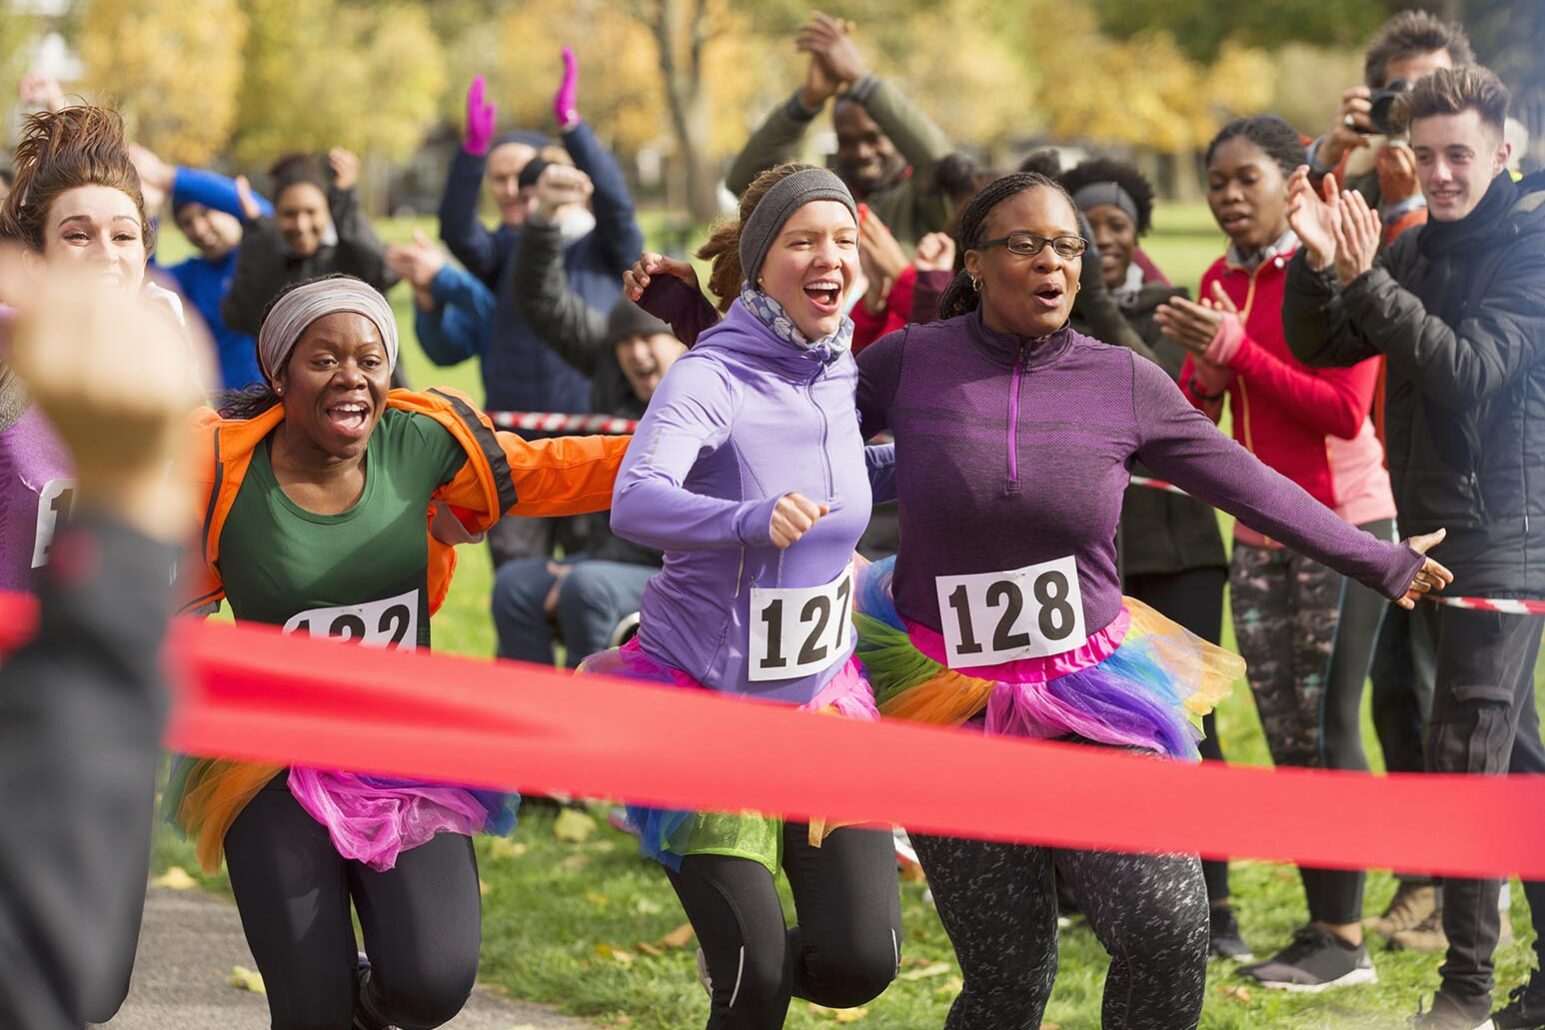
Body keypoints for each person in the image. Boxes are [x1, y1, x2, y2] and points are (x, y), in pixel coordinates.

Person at [847, 170, 1449, 1029]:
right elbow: (795, 433)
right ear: (974, 263)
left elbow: (1246, 482)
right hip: (947, 699)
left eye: (1066, 247)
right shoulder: (908, 363)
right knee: (1007, 977)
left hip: (1094, 693)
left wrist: (1380, 560)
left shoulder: (1120, 381)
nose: (1052, 263)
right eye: (1025, 245)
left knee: (1166, 929)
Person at [163, 275, 631, 1030]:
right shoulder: (216, 468)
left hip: (401, 745)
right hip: (269, 759)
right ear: (279, 374)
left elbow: (548, 471)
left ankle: (366, 1009)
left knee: (431, 983)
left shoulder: (419, 441)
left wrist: (680, 449)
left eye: (370, 360)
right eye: (324, 360)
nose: (351, 377)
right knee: (309, 1011)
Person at [580, 163, 901, 1029]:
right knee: (754, 985)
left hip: (821, 703)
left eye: (842, 239)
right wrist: (748, 521)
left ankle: (741, 961)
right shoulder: (704, 377)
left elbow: (827, 464)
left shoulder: (835, 366)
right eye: (802, 241)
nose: (828, 256)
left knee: (860, 963)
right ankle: (740, 966)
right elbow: (635, 500)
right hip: (704, 708)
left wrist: (921, 463)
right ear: (759, 263)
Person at [1283, 65, 1545, 1030]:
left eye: (1458, 155)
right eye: (1423, 156)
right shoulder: (1413, 246)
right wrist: (1321, 264)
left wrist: (1366, 279)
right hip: (1432, 531)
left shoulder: (1530, 245)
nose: (1438, 173)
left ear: (1501, 152)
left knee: (1463, 754)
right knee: (1512, 760)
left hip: (1508, 536)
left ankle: (1463, 993)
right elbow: (1321, 344)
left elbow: (1470, 370)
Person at [1154, 116, 1398, 992]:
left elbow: (1342, 410)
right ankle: (1320, 927)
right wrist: (1208, 374)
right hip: (1259, 535)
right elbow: (1201, 422)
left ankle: (1346, 939)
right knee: (1288, 733)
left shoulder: (1327, 267)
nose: (1226, 196)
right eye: (1215, 181)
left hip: (1342, 529)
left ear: (1289, 182)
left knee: (1329, 725)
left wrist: (1238, 352)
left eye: (1244, 179)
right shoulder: (1219, 279)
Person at [0, 104, 188, 1022]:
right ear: (36, 256)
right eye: (77, 234)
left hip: (111, 706)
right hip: (14, 705)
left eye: (124, 234)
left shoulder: (163, 371)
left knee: (92, 985)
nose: (106, 254)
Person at [1061, 155, 1244, 961]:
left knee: (1192, 723)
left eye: (1115, 227)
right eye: (1085, 228)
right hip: (1097, 558)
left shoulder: (1170, 308)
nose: (1101, 240)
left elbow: (1160, 400)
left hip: (1179, 549)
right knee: (1097, 725)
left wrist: (1101, 300)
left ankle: (1219, 901)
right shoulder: (1045, 316)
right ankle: (1105, 894)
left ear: (1136, 234)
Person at [436, 54, 644, 568]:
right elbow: (458, 231)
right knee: (518, 572)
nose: (516, 193)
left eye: (527, 180)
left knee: (589, 570)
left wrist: (574, 127)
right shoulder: (508, 250)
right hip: (515, 439)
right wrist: (471, 153)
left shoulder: (605, 248)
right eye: (502, 181)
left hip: (590, 432)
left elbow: (617, 204)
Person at [727, 13, 952, 249]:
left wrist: (860, 80)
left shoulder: (925, 197)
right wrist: (805, 104)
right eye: (847, 141)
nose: (862, 152)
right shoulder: (823, 199)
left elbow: (945, 166)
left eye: (873, 138)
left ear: (897, 134)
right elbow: (745, 181)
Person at [1306, 9, 1473, 247]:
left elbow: (1444, 266)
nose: (1416, 106)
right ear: (1377, 101)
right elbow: (1308, 240)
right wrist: (1323, 161)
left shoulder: (1482, 174)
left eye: (1434, 90)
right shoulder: (1360, 171)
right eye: (1401, 93)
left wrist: (1407, 208)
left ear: (1464, 98)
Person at [131, 144, 275, 391]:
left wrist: (166, 176)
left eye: (205, 213)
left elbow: (261, 212)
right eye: (187, 223)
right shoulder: (191, 275)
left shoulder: (264, 253)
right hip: (228, 409)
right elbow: (147, 279)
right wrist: (151, 213)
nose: (198, 229)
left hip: (277, 402)